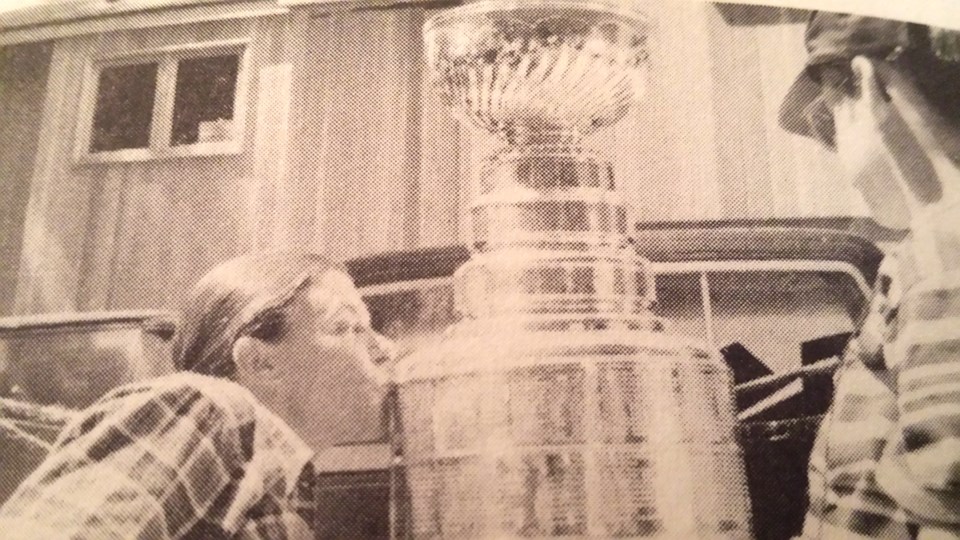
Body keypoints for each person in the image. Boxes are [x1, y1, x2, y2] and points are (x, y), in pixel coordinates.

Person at [0, 252, 395, 539]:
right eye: (347, 326)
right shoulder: (206, 407)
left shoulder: (292, 484)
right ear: (261, 363)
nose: (387, 348)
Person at [779, 11, 960, 540]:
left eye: (829, 117)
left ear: (862, 84)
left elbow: (947, 497)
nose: (833, 148)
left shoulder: (944, 255)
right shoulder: (926, 253)